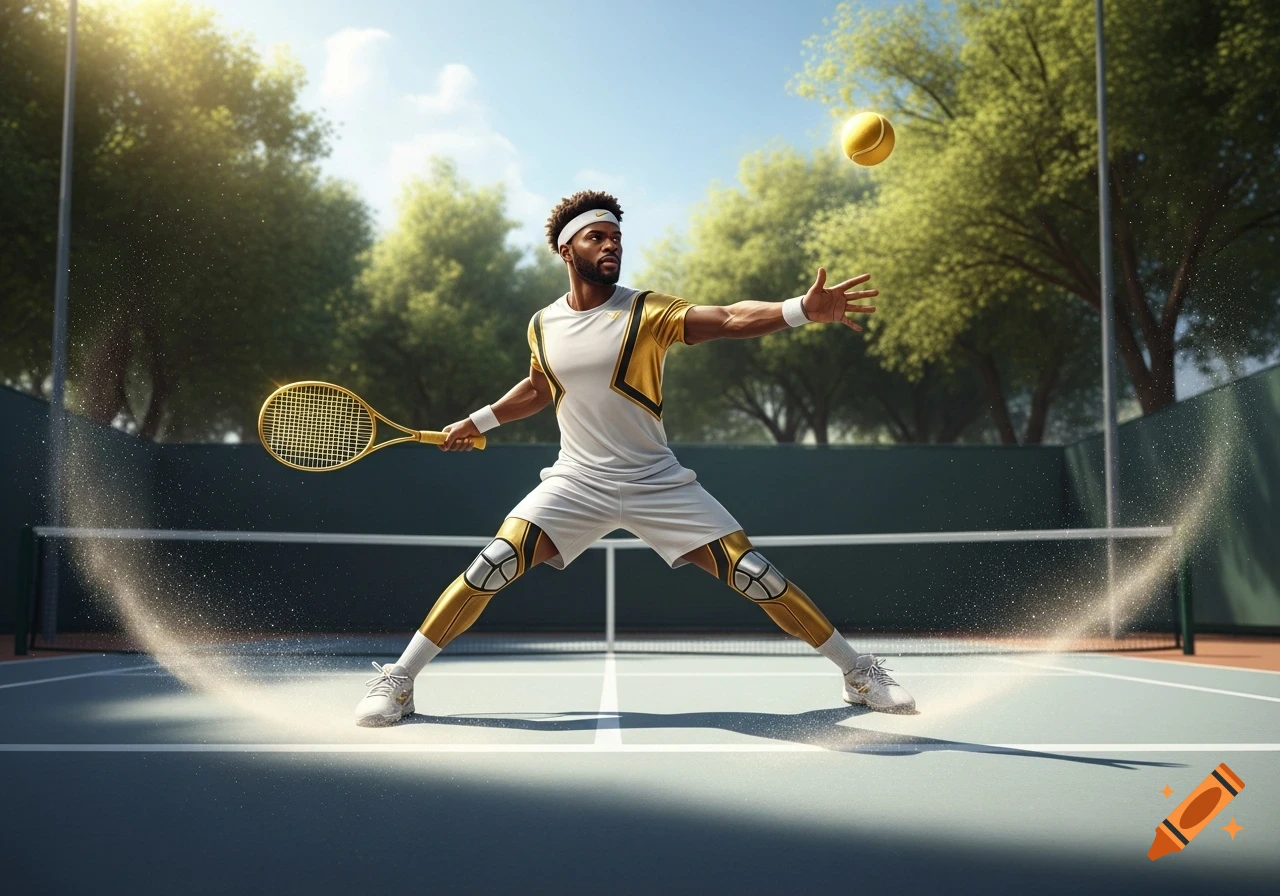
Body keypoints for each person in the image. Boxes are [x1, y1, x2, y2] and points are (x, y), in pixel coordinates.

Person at [355, 190, 916, 726]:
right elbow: (538, 387)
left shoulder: (648, 312)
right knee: (492, 565)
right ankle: (399, 680)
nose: (610, 247)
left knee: (756, 576)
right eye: (596, 237)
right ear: (565, 249)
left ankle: (858, 673)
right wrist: (474, 422)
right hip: (576, 480)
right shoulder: (542, 323)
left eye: (616, 238)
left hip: (657, 481)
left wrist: (799, 310)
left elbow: (726, 319)